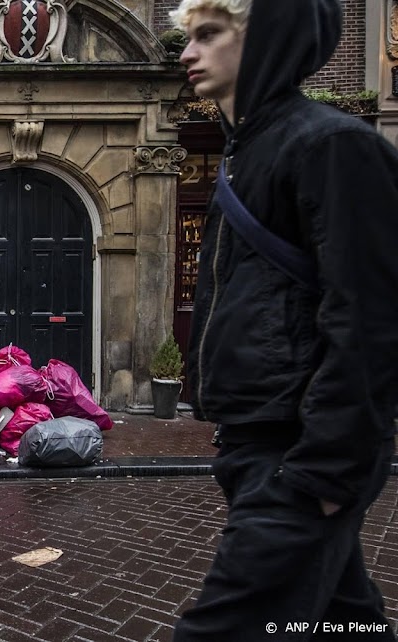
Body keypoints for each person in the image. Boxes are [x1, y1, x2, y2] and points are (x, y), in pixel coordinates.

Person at [170, 0, 398, 640]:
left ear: (266, 38)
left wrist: (325, 471)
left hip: (297, 451)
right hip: (256, 443)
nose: (188, 53)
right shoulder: (246, 156)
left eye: (209, 35)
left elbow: (370, 318)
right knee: (343, 623)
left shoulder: (334, 147)